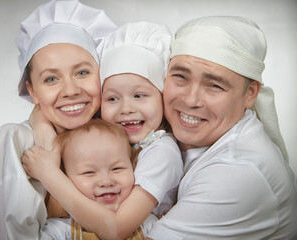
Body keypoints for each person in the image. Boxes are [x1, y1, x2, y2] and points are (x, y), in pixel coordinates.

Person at [22, 22, 183, 239]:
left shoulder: (162, 151)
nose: (126, 109)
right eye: (112, 98)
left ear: (162, 97)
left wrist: (48, 173)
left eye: (139, 96)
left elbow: (115, 230)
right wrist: (44, 132)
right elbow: (40, 111)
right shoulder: (111, 135)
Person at [145, 16, 297, 239]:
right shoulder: (157, 126)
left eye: (214, 85)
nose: (190, 100)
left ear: (250, 93)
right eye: (180, 76)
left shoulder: (239, 170)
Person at [0, 0, 116, 239]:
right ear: (32, 91)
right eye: (51, 79)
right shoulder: (14, 141)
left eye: (82, 72)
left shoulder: (120, 137)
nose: (70, 90)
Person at [36, 119, 158, 239]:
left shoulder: (149, 225)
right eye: (89, 172)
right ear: (65, 178)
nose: (106, 182)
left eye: (117, 168)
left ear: (133, 168)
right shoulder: (59, 231)